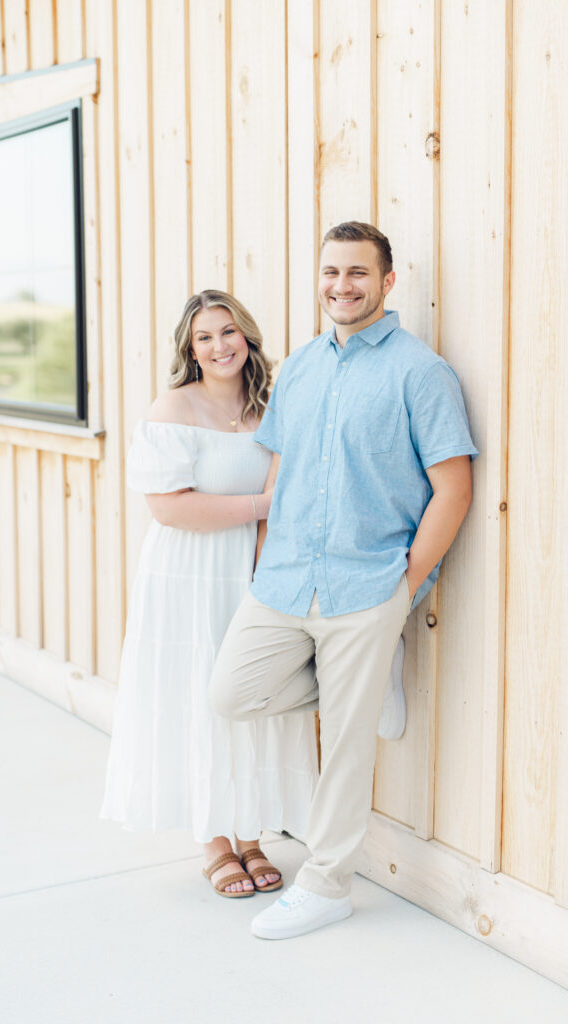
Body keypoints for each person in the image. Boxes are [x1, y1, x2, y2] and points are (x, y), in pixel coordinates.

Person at [210, 222, 478, 937]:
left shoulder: (420, 373)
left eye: (358, 273)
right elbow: (278, 472)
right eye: (331, 272)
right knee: (230, 691)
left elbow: (452, 486)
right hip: (288, 579)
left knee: (348, 741)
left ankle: (326, 885)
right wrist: (267, 558)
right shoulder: (297, 368)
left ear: (388, 282)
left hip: (368, 583)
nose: (341, 286)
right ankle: (357, 673)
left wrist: (403, 586)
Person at [101, 290, 319, 898]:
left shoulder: (269, 408)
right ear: (190, 350)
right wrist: (262, 507)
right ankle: (215, 842)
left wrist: (266, 534)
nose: (220, 346)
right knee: (199, 693)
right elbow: (169, 509)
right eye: (205, 337)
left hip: (255, 571)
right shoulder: (174, 408)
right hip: (190, 575)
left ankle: (250, 833)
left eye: (229, 332)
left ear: (247, 337)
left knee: (250, 692)